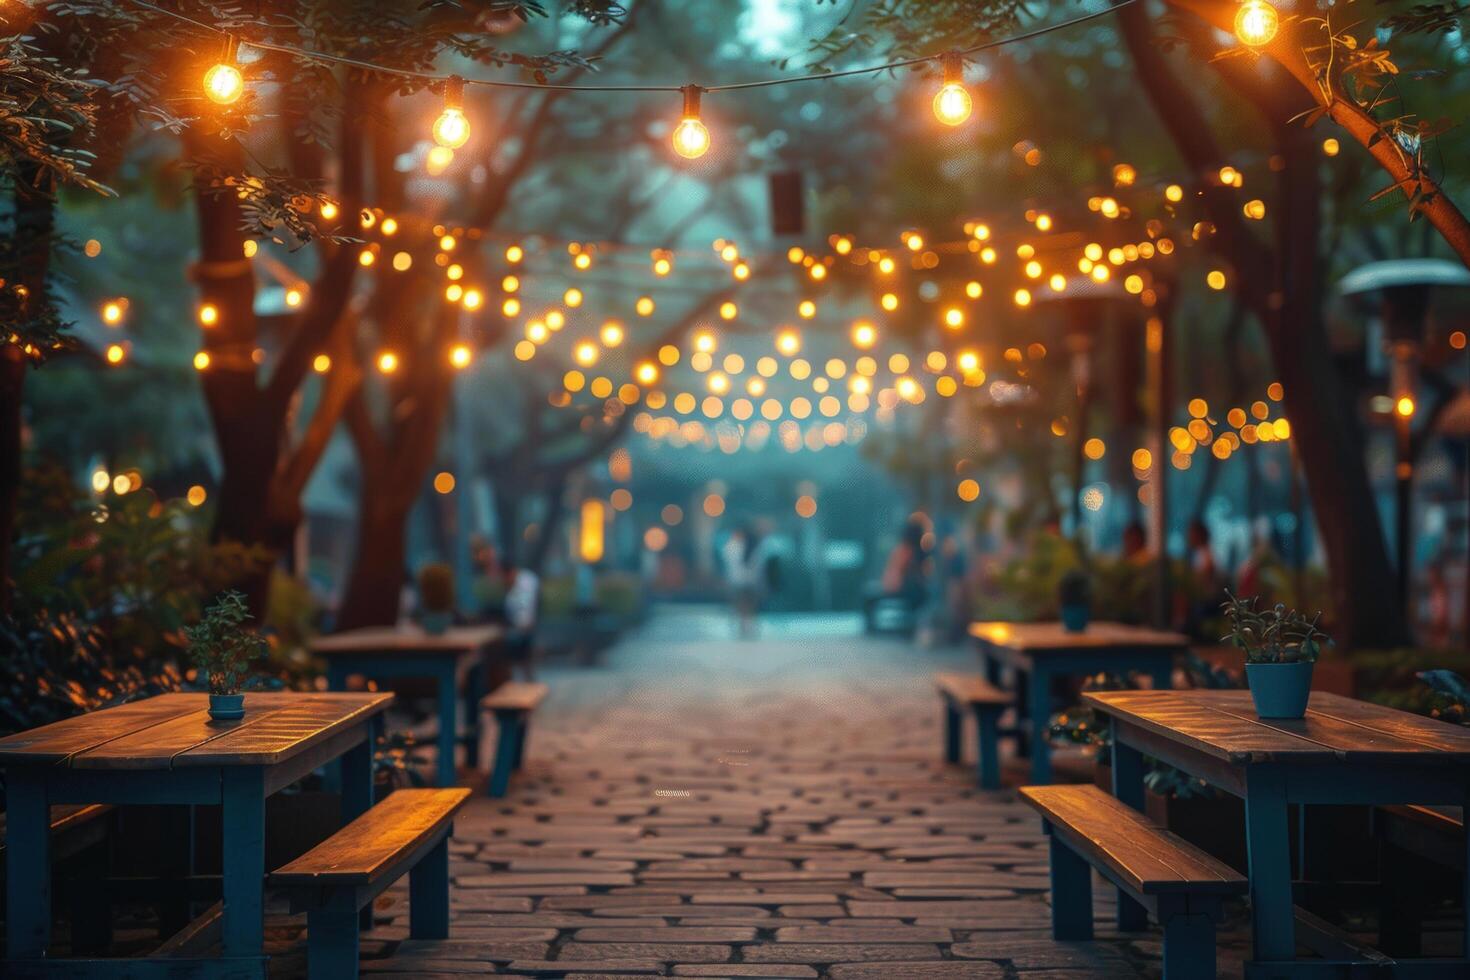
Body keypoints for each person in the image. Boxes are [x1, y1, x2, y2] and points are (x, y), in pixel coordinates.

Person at [501, 556, 540, 680]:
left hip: (527, 629)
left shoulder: (526, 582)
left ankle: (518, 681)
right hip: (520, 628)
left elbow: (526, 617)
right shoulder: (514, 586)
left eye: (505, 577)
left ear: (511, 572)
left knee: (501, 650)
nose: (504, 581)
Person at [721, 525, 758, 638]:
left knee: (744, 604)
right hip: (739, 580)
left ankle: (746, 626)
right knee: (741, 604)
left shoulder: (738, 546)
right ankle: (742, 626)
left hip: (743, 580)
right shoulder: (734, 546)